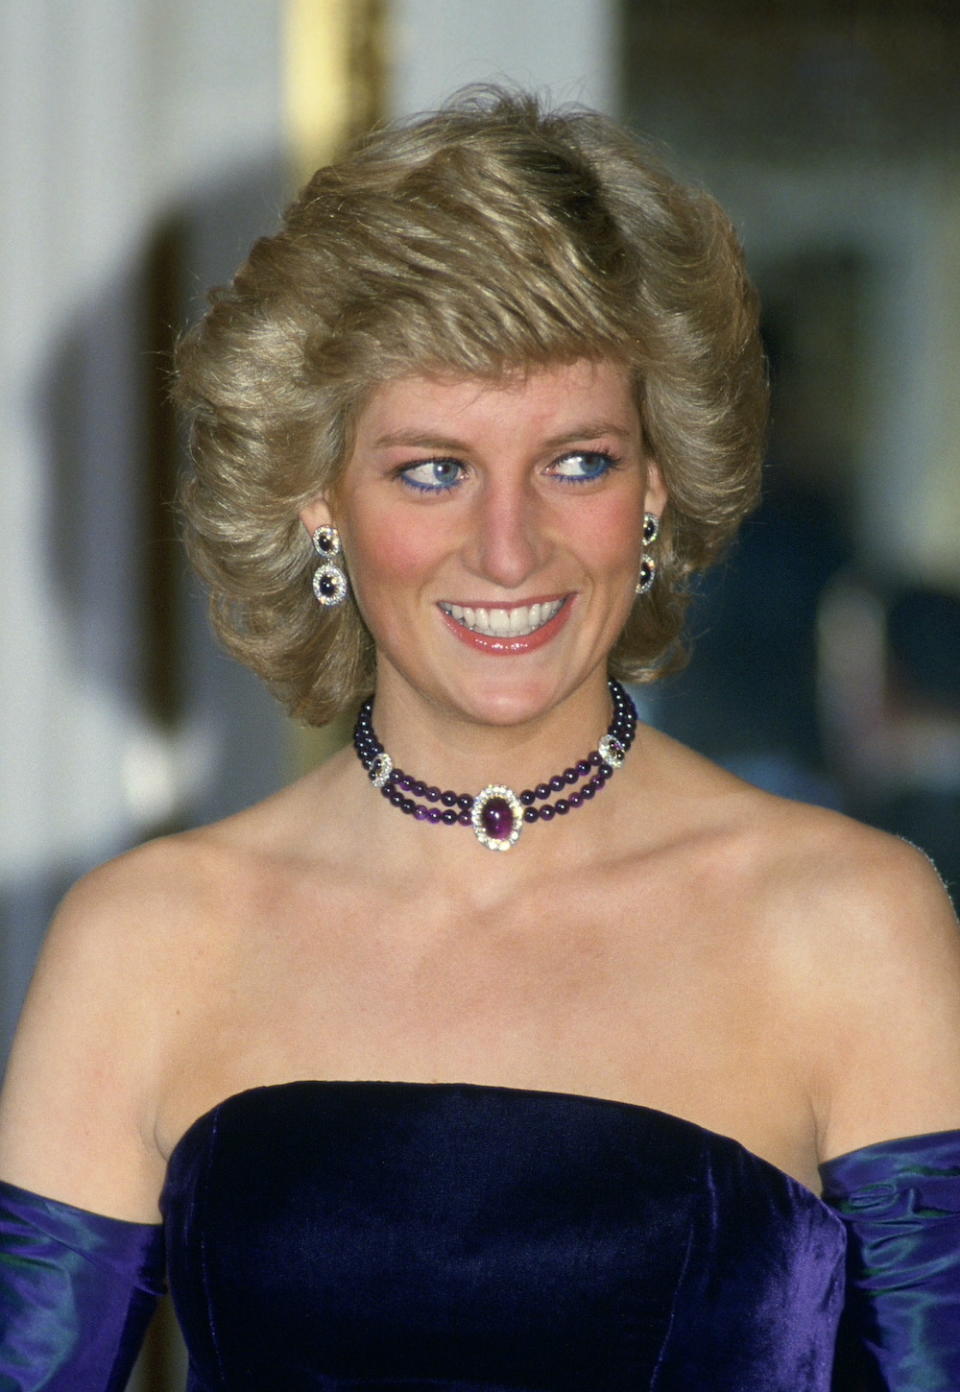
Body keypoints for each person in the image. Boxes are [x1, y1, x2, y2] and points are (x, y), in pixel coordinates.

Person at [1, 87, 958, 1392]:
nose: (510, 549)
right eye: (433, 469)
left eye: (576, 462)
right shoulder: (148, 946)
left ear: (658, 487)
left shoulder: (853, 926)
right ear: (317, 499)